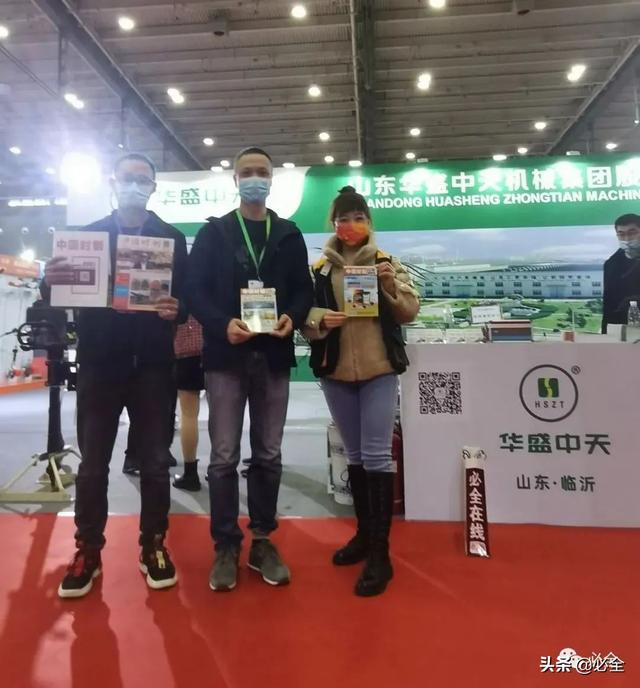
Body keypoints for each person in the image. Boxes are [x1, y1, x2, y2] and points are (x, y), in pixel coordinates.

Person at [43, 153, 187, 598]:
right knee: (93, 466)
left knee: (156, 462)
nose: (135, 185)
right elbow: (58, 294)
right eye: (128, 178)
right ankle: (88, 550)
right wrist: (49, 279)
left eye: (143, 179)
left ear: (154, 186)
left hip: (153, 367)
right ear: (113, 182)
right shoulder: (87, 238)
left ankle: (154, 545)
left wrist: (178, 308)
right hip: (100, 365)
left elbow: (186, 299)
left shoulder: (171, 238)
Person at [187, 146, 314, 592]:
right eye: (247, 172)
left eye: (262, 171)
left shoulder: (289, 233)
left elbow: (303, 289)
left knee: (268, 453)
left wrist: (293, 317)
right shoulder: (214, 233)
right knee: (223, 455)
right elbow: (194, 290)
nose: (255, 178)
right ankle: (225, 545)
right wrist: (222, 324)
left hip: (273, 355)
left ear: (271, 179)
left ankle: (262, 540)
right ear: (235, 180)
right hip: (226, 357)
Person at [304, 186, 419, 597]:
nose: (350, 225)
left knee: (376, 455)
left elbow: (409, 311)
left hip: (379, 370)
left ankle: (380, 554)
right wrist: (320, 319)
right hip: (335, 372)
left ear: (369, 222)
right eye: (343, 218)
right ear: (333, 224)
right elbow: (305, 320)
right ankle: (364, 535)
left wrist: (388, 288)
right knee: (354, 456)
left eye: (357, 218)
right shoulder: (320, 269)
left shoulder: (386, 262)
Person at [172, 314, 205, 491]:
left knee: (188, 414)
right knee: (220, 413)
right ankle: (220, 468)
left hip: (185, 351)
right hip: (215, 347)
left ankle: (190, 473)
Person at [602, 213, 640, 333]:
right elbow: (608, 304)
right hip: (619, 328)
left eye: (632, 233)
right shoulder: (611, 264)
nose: (627, 239)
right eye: (621, 234)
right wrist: (605, 333)